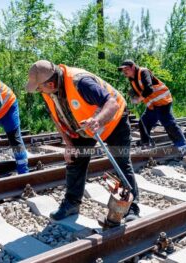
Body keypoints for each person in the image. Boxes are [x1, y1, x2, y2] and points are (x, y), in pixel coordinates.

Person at [26, 60, 140, 222]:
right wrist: (69, 144)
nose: (39, 91)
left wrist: (98, 121)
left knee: (121, 161)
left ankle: (132, 207)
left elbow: (112, 104)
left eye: (39, 87)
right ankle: (72, 204)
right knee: (75, 160)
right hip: (84, 126)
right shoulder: (49, 93)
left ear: (50, 84)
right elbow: (57, 119)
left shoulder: (80, 82)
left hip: (114, 120)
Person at [118, 59, 186, 161]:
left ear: (133, 67)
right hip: (152, 105)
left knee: (170, 125)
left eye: (126, 68)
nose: (124, 71)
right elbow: (139, 90)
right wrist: (133, 95)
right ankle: (147, 146)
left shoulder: (143, 72)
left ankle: (185, 151)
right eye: (122, 69)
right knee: (143, 123)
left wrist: (138, 99)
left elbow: (148, 89)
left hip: (163, 102)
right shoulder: (132, 79)